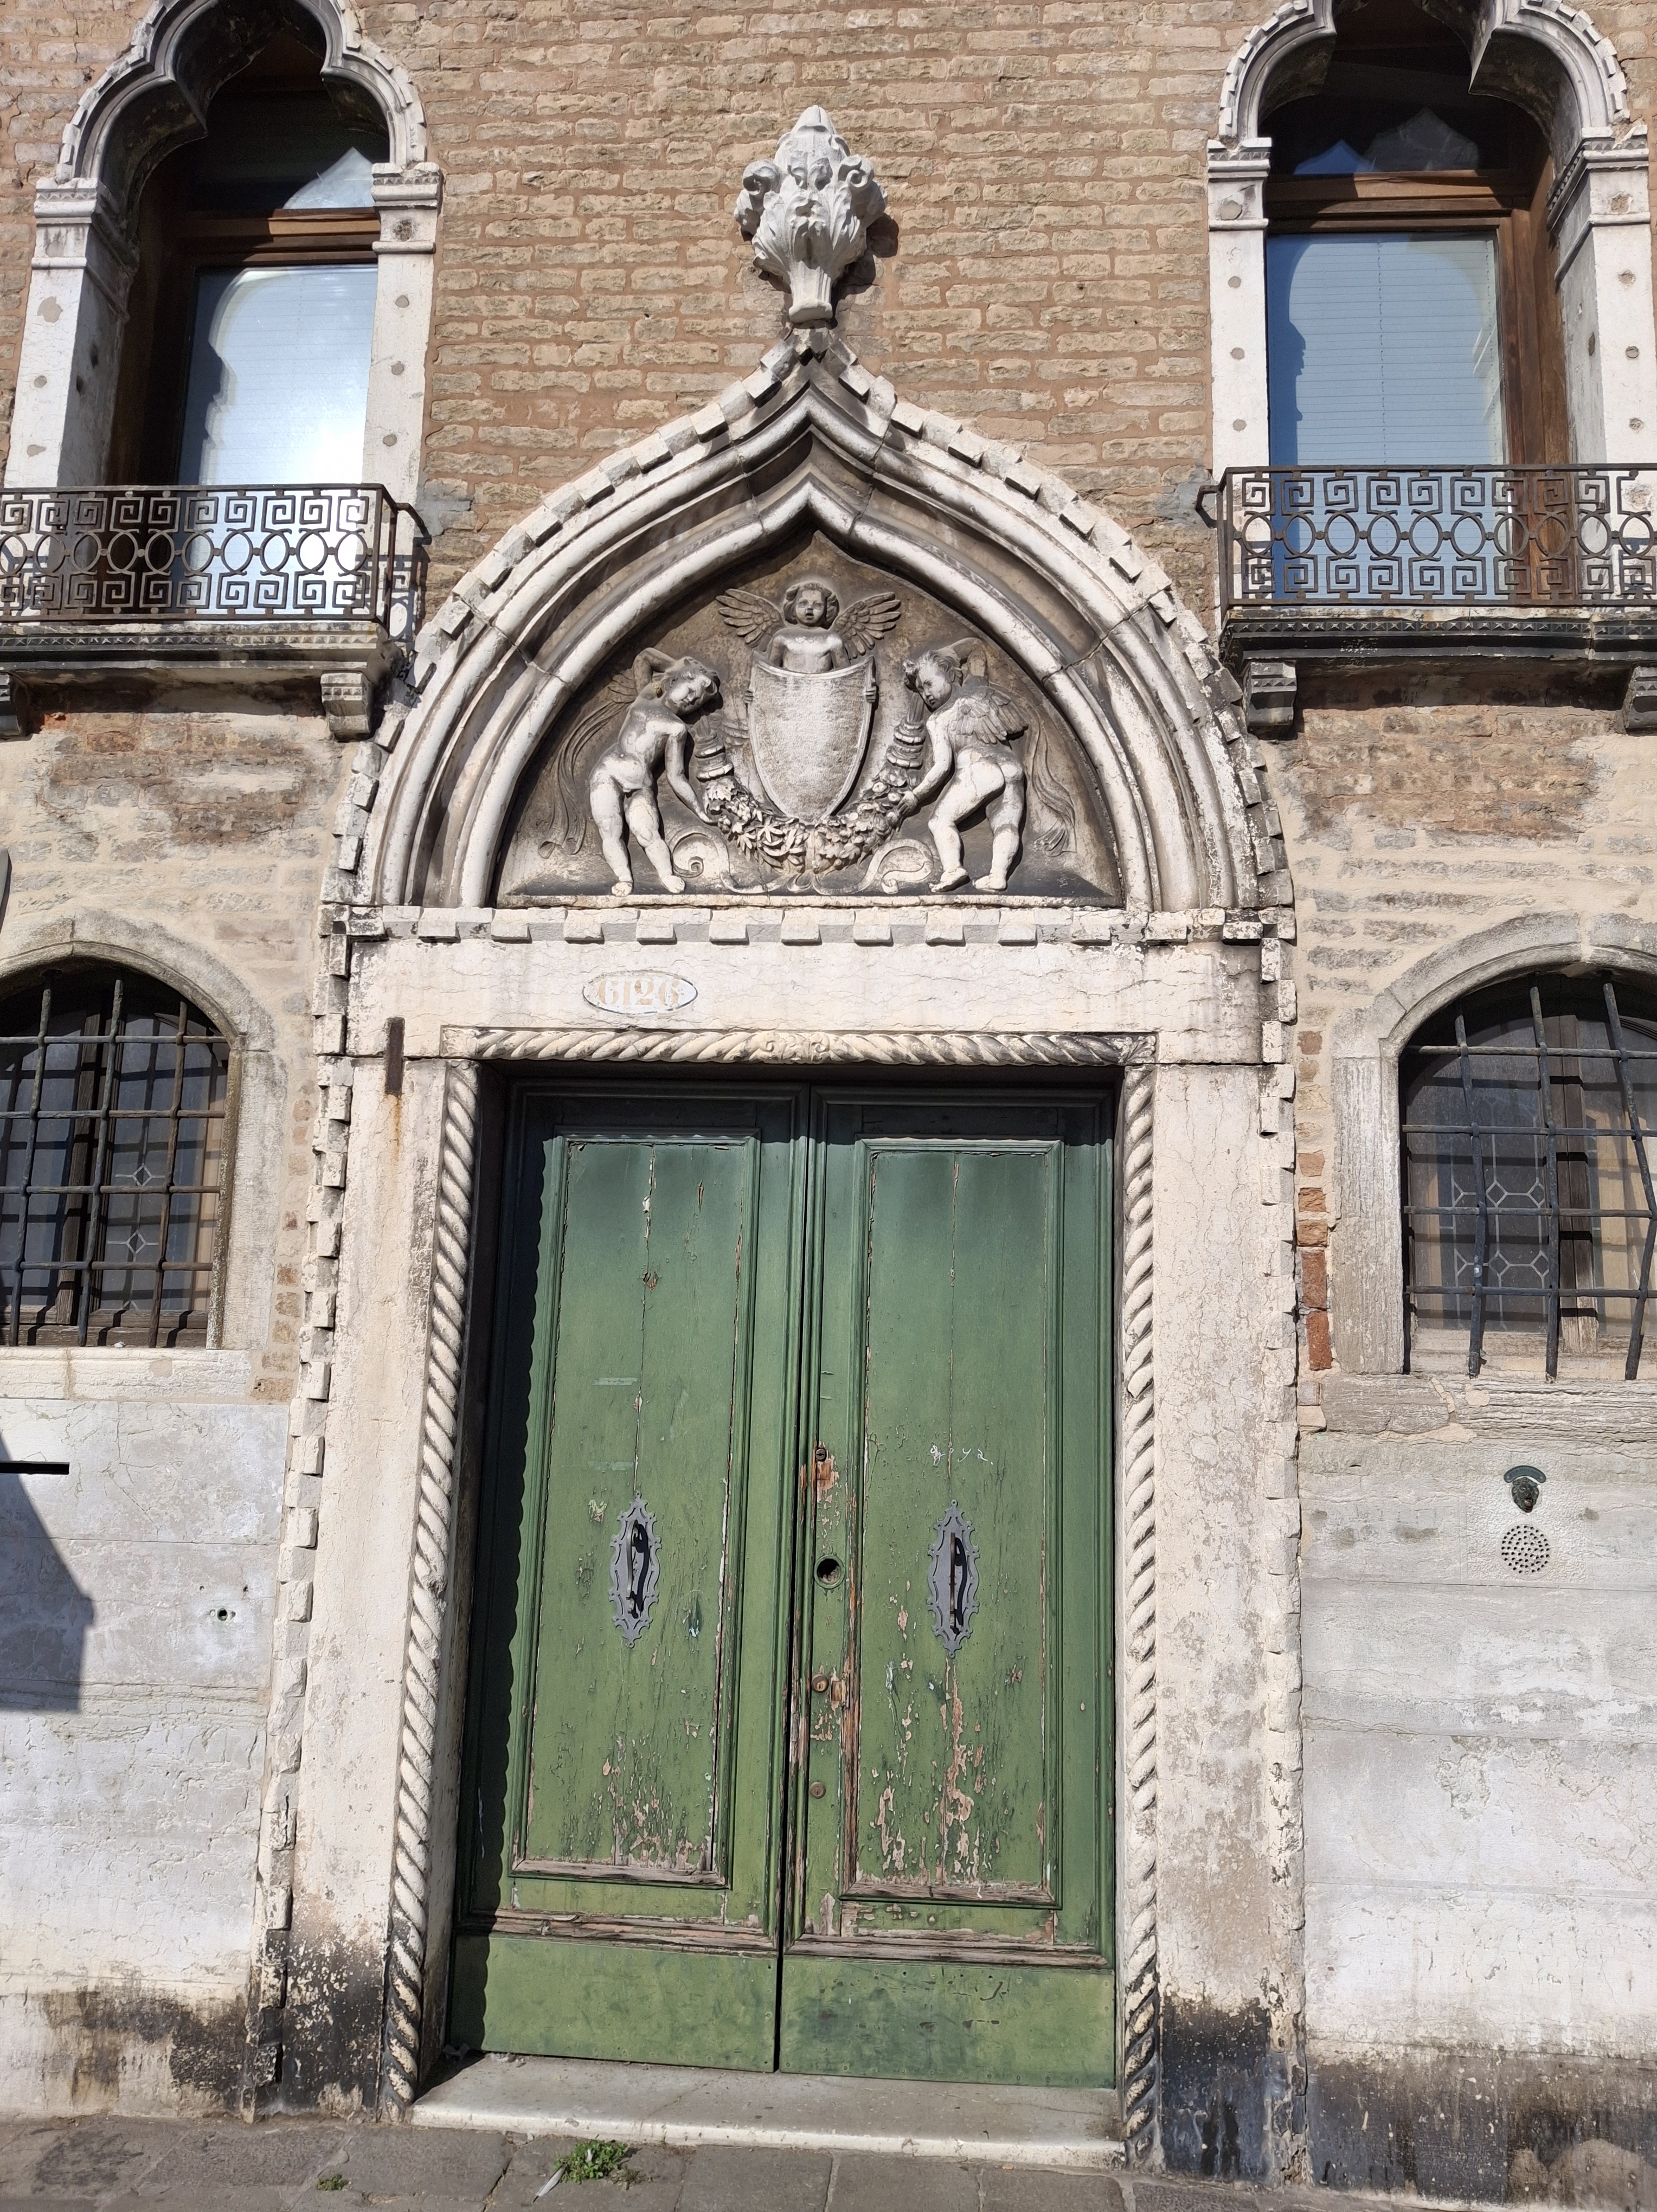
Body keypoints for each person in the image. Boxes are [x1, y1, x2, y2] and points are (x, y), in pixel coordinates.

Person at [588, 652, 720, 895]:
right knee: (610, 830)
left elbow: (676, 777)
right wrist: (677, 665)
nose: (691, 700)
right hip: (608, 772)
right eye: (690, 690)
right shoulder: (647, 695)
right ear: (677, 680)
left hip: (640, 785)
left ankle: (666, 875)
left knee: (647, 833)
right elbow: (644, 657)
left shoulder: (677, 729)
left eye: (697, 702)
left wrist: (699, 809)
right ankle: (624, 878)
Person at [901, 642, 1027, 892]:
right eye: (921, 690)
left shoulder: (938, 720)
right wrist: (948, 655)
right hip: (1011, 766)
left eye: (929, 684)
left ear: (950, 674)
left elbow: (942, 767)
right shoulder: (978, 688)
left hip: (979, 769)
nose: (926, 694)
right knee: (1005, 825)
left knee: (939, 822)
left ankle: (953, 870)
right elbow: (976, 647)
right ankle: (998, 875)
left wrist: (916, 796)